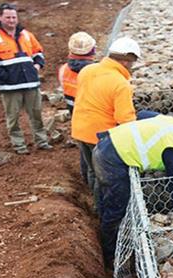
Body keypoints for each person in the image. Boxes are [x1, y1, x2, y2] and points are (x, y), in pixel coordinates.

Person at [92, 115, 173, 266]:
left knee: (108, 198)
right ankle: (109, 256)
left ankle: (100, 229)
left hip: (108, 142)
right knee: (117, 208)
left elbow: (143, 114)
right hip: (114, 159)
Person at [71, 36, 142, 193]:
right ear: (125, 61)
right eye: (132, 62)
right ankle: (100, 210)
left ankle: (92, 204)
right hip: (100, 136)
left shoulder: (87, 70)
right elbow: (125, 120)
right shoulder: (120, 83)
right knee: (103, 177)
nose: (132, 67)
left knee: (91, 170)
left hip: (80, 129)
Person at [0, 2, 51, 154]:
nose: (11, 20)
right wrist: (5, 76)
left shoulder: (26, 34)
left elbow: (38, 52)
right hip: (10, 87)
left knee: (36, 114)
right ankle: (19, 146)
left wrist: (37, 66)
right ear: (0, 17)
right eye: (8, 17)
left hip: (31, 83)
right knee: (13, 118)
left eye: (13, 17)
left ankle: (42, 142)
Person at [58, 31, 96, 182]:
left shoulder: (63, 70)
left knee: (84, 151)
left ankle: (85, 181)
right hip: (93, 119)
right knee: (97, 162)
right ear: (91, 51)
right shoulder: (94, 72)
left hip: (75, 116)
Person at [58, 32, 96, 113]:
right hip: (93, 114)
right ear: (92, 51)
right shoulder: (97, 71)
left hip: (74, 112)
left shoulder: (64, 69)